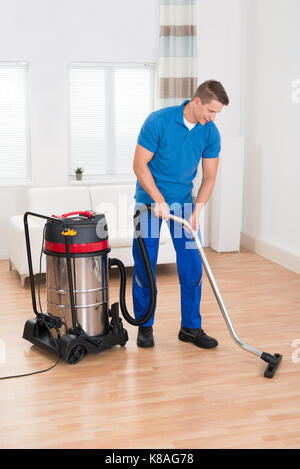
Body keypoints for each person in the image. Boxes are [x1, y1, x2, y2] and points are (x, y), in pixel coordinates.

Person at [132, 80, 229, 348]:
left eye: (217, 113)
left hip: (184, 206)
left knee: (191, 265)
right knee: (144, 264)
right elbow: (140, 166)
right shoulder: (158, 121)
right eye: (211, 111)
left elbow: (209, 177)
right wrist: (158, 200)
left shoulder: (210, 132)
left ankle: (190, 328)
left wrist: (197, 210)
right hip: (148, 204)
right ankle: (145, 325)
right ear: (196, 101)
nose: (212, 118)